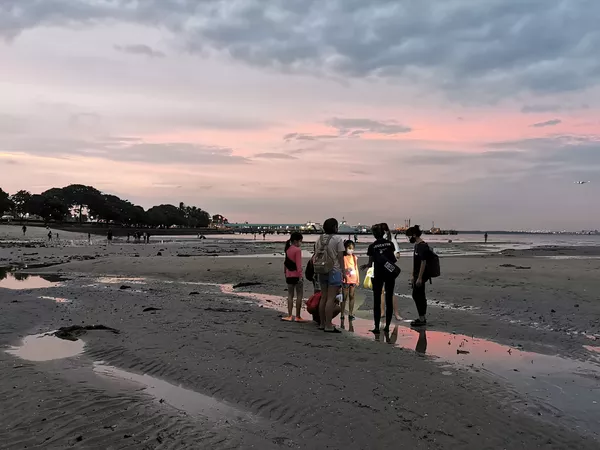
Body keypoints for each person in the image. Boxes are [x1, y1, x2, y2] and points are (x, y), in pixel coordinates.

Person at [363, 223, 398, 334]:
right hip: (389, 273)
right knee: (389, 298)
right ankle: (387, 326)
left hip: (378, 274)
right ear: (383, 233)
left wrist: (366, 266)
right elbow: (393, 259)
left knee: (377, 301)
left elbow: (370, 263)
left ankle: (377, 327)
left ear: (374, 234)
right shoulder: (390, 244)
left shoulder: (372, 246)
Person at [314, 218, 345, 333]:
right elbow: (340, 257)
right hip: (334, 270)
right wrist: (343, 271)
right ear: (335, 227)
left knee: (323, 297)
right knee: (331, 299)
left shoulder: (319, 238)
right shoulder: (337, 239)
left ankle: (322, 323)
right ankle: (328, 325)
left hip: (321, 269)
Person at [406, 225, 429, 327]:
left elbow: (423, 262)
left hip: (421, 276)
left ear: (414, 235)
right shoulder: (416, 246)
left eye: (409, 236)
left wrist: (419, 277)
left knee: (418, 295)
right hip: (416, 275)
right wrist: (413, 276)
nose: (408, 238)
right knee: (418, 295)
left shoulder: (422, 246)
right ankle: (422, 317)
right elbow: (416, 263)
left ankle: (422, 318)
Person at [283, 232, 306, 322]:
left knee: (290, 295)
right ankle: (298, 316)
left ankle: (289, 315)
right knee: (299, 295)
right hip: (296, 275)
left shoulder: (288, 249)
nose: (301, 243)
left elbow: (285, 263)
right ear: (296, 241)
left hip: (288, 275)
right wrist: (300, 276)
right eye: (301, 241)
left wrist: (285, 273)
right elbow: (298, 265)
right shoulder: (297, 250)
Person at [341, 240, 359, 324]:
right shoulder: (343, 258)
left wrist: (357, 279)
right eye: (349, 248)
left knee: (352, 296)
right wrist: (345, 270)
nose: (351, 250)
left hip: (353, 278)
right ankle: (342, 313)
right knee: (344, 297)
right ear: (345, 248)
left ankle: (350, 313)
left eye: (352, 248)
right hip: (345, 279)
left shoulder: (354, 257)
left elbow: (356, 268)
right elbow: (341, 268)